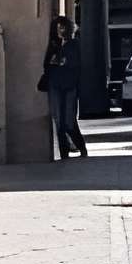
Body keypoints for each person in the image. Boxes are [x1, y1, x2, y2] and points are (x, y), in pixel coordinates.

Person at [38, 19, 88, 159]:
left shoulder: (74, 44)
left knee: (69, 121)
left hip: (69, 86)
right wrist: (58, 60)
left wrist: (59, 61)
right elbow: (48, 64)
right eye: (58, 28)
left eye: (63, 27)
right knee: (59, 121)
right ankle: (64, 153)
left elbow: (72, 64)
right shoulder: (53, 45)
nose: (60, 31)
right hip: (55, 85)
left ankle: (81, 147)